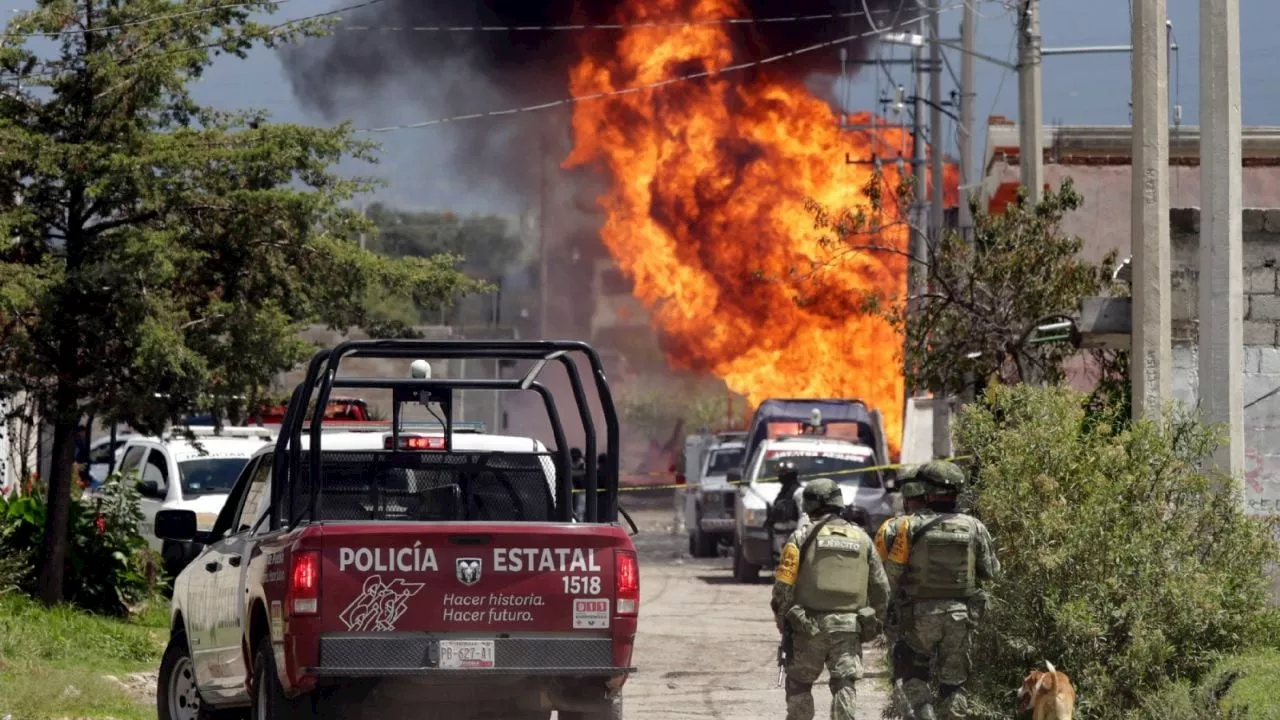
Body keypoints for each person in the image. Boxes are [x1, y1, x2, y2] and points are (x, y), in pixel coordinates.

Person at [875, 460, 1000, 720]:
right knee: (954, 684)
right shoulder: (974, 527)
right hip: (960, 617)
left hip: (919, 616)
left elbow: (892, 575)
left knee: (913, 676)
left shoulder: (909, 526)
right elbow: (991, 571)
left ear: (927, 491)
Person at [772, 477, 890, 720]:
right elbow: (881, 588)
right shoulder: (862, 538)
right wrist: (874, 623)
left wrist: (783, 618)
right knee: (844, 682)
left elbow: (783, 585)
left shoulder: (800, 537)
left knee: (799, 684)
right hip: (849, 627)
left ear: (810, 505)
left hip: (807, 626)